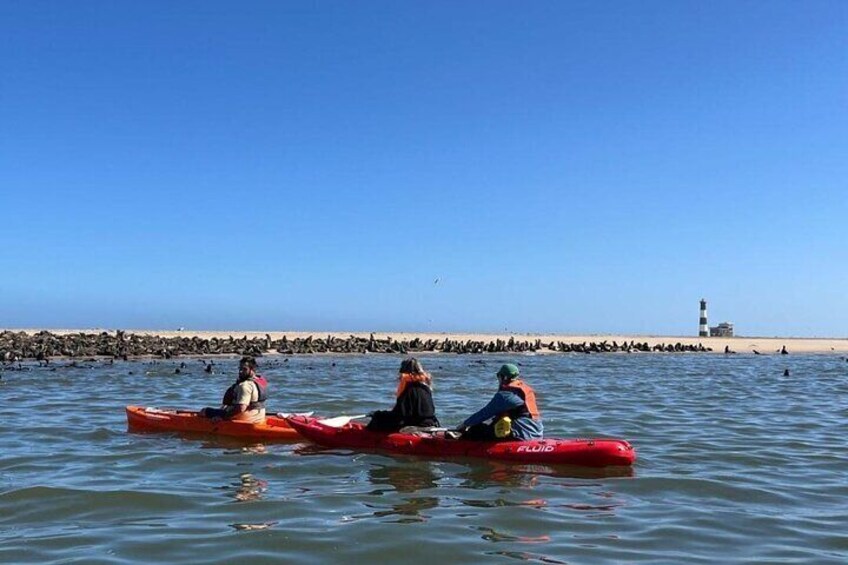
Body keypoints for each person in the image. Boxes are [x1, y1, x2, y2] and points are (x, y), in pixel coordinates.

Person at [458, 363, 543, 441]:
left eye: (499, 376)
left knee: (475, 429)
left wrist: (464, 425)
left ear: (504, 377)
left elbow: (485, 413)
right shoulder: (524, 390)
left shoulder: (506, 395)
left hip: (521, 435)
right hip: (537, 433)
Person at [367, 357, 440, 431]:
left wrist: (377, 415)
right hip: (431, 424)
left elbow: (400, 416)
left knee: (377, 420)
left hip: (418, 427)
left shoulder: (410, 390)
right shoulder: (426, 388)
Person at [201, 356, 268, 423]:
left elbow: (241, 409)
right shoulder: (261, 381)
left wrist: (223, 417)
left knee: (204, 411)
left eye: (244, 369)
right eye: (240, 368)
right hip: (259, 417)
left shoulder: (245, 386)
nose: (240, 371)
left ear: (252, 370)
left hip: (245, 418)